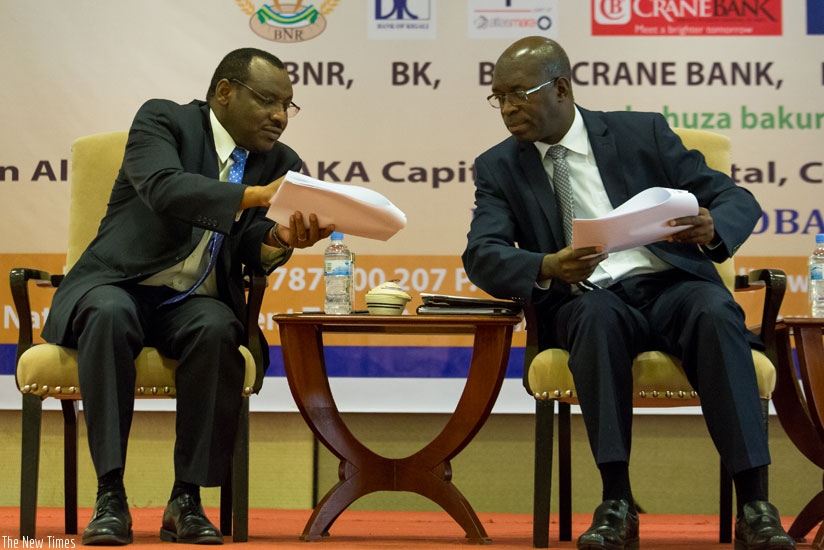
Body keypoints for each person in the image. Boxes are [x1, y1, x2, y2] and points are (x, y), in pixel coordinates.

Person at [462, 36, 795, 550]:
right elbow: (482, 253)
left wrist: (711, 228)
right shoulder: (499, 166)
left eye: (518, 94)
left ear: (561, 89)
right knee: (595, 317)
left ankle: (755, 504)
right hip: (588, 296)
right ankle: (616, 502)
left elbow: (734, 197)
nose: (507, 109)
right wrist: (548, 264)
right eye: (498, 97)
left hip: (670, 284)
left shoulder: (643, 133)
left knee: (713, 310)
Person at [41, 48, 334, 546]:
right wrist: (258, 196)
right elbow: (164, 189)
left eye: (288, 106)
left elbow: (248, 241)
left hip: (190, 300)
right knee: (109, 314)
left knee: (219, 327)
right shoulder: (164, 120)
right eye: (268, 101)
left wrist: (281, 239)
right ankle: (110, 495)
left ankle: (187, 498)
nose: (280, 117)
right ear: (225, 92)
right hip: (118, 283)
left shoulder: (280, 162)